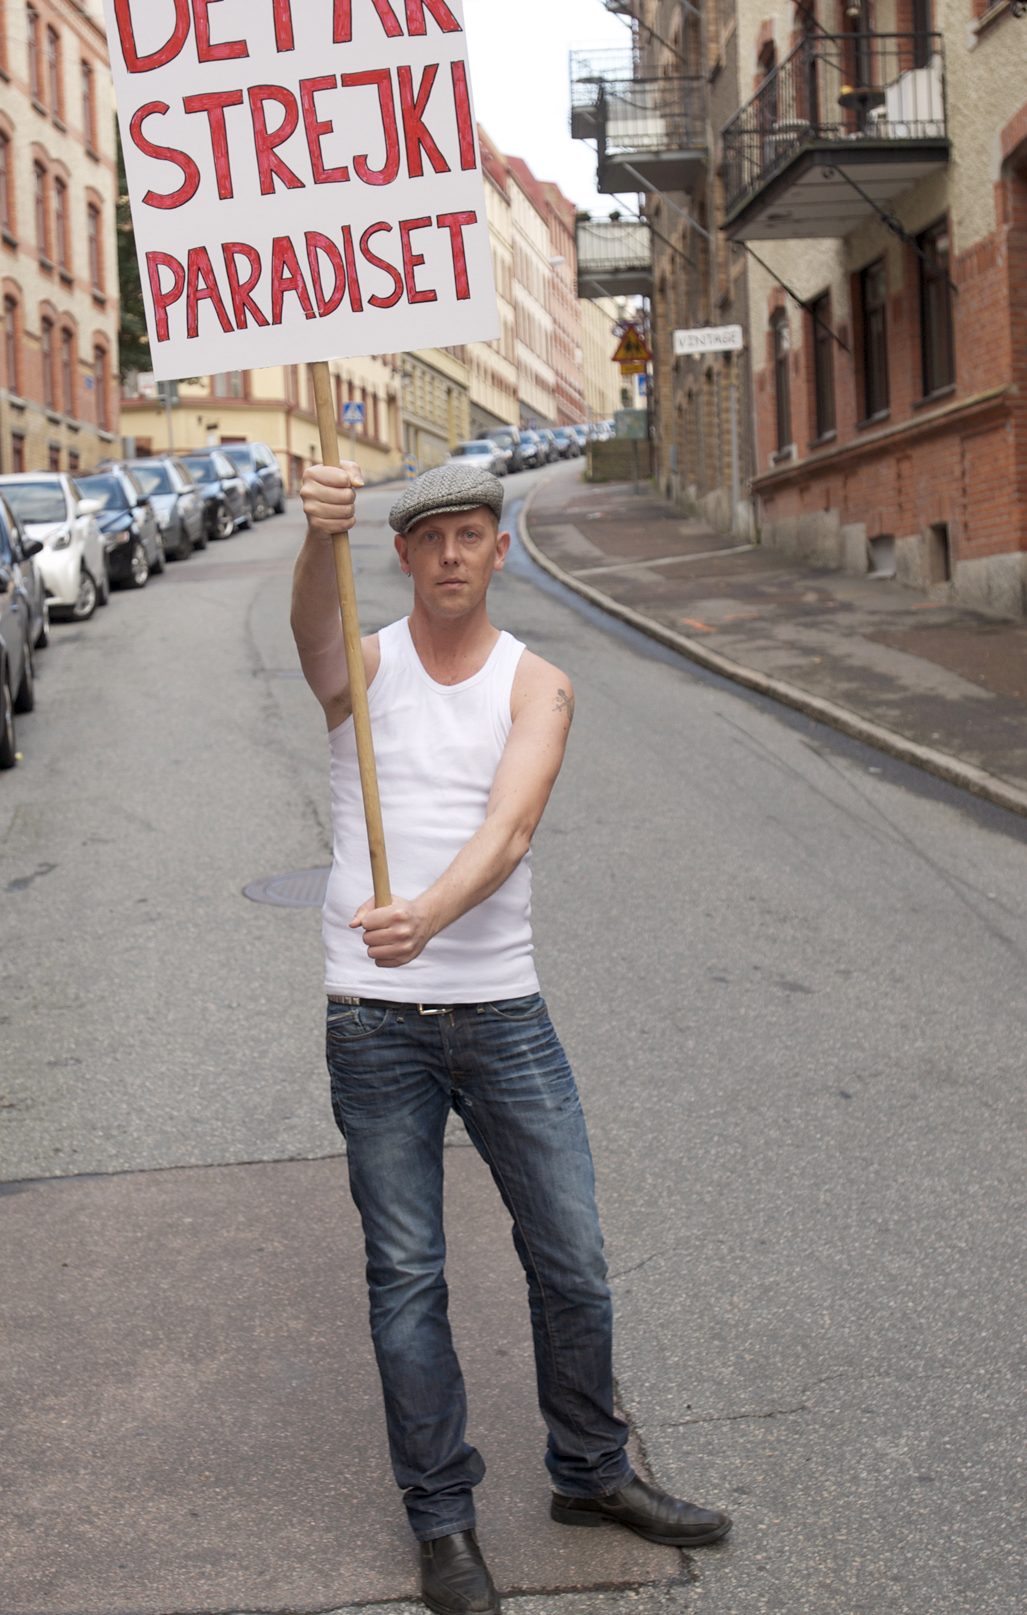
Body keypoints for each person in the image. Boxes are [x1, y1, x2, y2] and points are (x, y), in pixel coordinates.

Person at [292, 462, 730, 1615]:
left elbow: (512, 824)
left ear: (497, 547)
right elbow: (315, 641)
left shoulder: (540, 684)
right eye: (429, 535)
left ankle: (590, 1470)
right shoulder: (365, 666)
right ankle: (443, 1521)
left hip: (500, 1009)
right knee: (407, 1278)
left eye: (469, 534)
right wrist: (316, 541)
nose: (450, 553)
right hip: (373, 1019)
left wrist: (427, 916)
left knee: (572, 1258)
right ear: (401, 554)